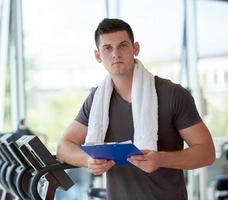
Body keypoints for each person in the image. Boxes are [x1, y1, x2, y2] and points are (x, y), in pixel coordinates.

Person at [56, 18, 215, 200]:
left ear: (135, 48)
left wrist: (161, 159)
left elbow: (207, 152)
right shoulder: (96, 100)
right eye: (107, 48)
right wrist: (88, 161)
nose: (116, 54)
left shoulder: (173, 94)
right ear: (98, 56)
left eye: (123, 46)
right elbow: (64, 147)